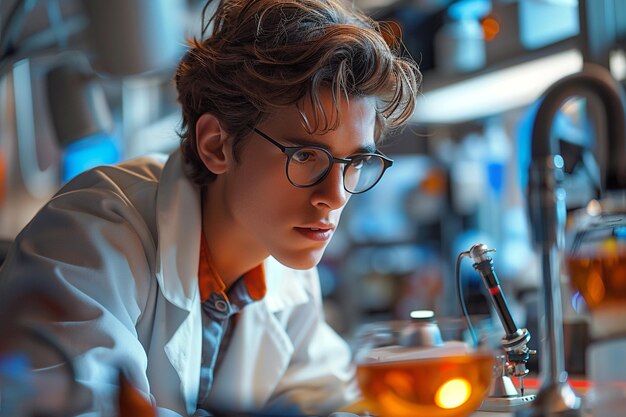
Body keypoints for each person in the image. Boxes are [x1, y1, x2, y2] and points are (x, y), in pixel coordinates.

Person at [0, 0, 420, 415]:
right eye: (306, 155)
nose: (336, 195)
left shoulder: (285, 270)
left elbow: (331, 399)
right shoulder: (91, 235)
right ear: (215, 145)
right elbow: (76, 407)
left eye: (355, 163)